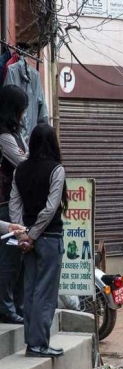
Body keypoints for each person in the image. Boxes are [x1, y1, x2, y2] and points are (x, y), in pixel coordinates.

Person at [10, 123, 66, 358]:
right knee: (45, 292)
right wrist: (32, 235)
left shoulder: (20, 170)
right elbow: (51, 208)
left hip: (26, 240)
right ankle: (39, 344)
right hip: (49, 238)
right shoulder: (56, 170)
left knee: (30, 289)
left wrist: (22, 233)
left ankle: (32, 342)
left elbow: (14, 204)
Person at [0, 85, 29, 324]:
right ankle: (6, 308)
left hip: (16, 204)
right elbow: (24, 162)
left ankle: (16, 306)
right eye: (22, 110)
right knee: (9, 259)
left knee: (18, 258)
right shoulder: (4, 136)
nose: (24, 115)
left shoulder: (15, 134)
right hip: (6, 204)